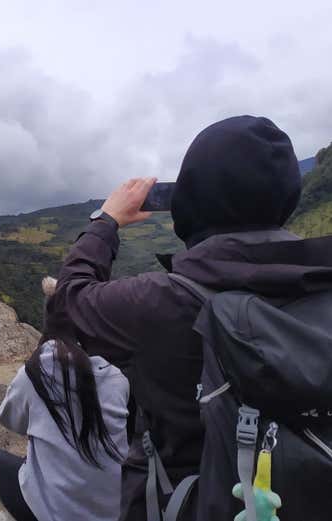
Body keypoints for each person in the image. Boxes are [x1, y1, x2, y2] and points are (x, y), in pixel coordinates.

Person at [46, 115, 332, 520]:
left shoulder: (160, 301)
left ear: (193, 198)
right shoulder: (322, 285)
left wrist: (105, 222)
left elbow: (69, 302)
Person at [0, 277, 129, 521]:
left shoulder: (37, 372)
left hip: (56, 512)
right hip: (111, 509)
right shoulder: (116, 377)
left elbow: (10, 419)